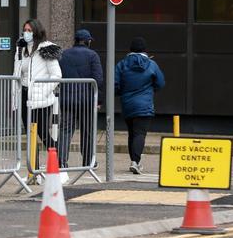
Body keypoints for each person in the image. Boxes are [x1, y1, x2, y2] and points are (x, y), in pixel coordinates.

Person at [12, 18, 62, 181]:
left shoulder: (46, 49)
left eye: (29, 30)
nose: (26, 33)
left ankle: (58, 164)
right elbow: (17, 73)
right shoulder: (21, 49)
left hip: (41, 97)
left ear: (36, 31)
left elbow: (56, 75)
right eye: (24, 30)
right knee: (30, 132)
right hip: (25, 95)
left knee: (41, 132)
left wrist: (45, 91)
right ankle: (33, 171)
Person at [115, 37, 165, 174]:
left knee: (132, 133)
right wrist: (149, 90)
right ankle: (135, 162)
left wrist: (123, 93)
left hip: (127, 104)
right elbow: (160, 83)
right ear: (145, 50)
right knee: (140, 133)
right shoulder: (151, 64)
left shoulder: (122, 64)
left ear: (130, 50)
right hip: (144, 104)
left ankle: (134, 161)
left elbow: (115, 84)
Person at [58, 29, 103, 172]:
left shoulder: (63, 55)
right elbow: (98, 79)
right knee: (87, 131)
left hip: (67, 99)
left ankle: (61, 162)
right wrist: (99, 100)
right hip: (86, 100)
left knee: (65, 130)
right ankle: (88, 162)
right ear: (87, 41)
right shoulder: (92, 55)